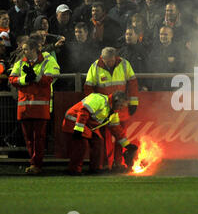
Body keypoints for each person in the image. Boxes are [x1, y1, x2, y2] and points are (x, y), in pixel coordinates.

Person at [8, 38, 60, 174]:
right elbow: (12, 79)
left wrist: (34, 77)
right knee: (29, 139)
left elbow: (50, 78)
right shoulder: (20, 62)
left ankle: (37, 165)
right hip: (25, 107)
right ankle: (34, 164)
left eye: (25, 49)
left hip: (39, 107)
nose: (23, 51)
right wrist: (26, 79)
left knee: (38, 138)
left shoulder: (47, 61)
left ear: (33, 49)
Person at [84, 47, 139, 172]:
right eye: (106, 60)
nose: (109, 63)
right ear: (101, 58)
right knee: (104, 138)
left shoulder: (124, 64)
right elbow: (88, 87)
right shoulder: (95, 66)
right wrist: (93, 107)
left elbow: (133, 83)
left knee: (120, 136)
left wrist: (133, 102)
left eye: (111, 60)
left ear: (116, 58)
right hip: (104, 109)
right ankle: (105, 165)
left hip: (120, 107)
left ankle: (118, 163)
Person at [62, 91, 138, 175]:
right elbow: (83, 112)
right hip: (74, 121)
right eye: (120, 106)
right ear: (115, 101)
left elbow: (117, 130)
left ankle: (95, 169)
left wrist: (127, 145)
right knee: (81, 145)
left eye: (123, 107)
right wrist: (78, 129)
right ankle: (74, 170)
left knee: (98, 142)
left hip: (87, 124)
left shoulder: (113, 112)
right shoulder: (98, 99)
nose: (121, 109)